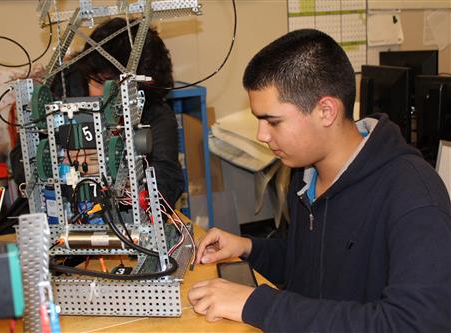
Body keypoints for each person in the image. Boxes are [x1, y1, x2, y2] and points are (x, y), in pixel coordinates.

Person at [188, 29, 451, 332]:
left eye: (272, 121)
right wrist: (247, 247)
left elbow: (416, 324)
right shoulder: (306, 172)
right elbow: (308, 265)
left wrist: (257, 304)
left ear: (326, 111)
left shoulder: (414, 193)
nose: (261, 136)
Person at [11, 17, 184, 207]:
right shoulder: (60, 91)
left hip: (123, 222)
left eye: (123, 88)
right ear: (87, 72)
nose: (110, 99)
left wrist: (121, 182)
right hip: (57, 216)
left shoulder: (155, 112)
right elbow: (21, 161)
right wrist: (61, 165)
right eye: (102, 83)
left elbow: (169, 183)